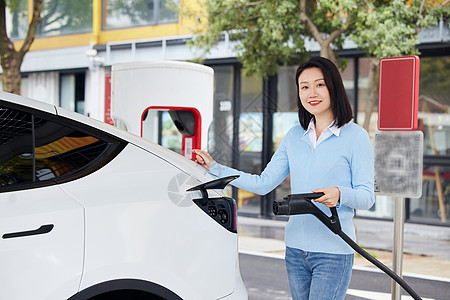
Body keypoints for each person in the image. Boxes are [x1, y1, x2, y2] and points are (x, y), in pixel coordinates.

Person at [193, 56, 374, 300]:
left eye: (320, 84)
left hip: (333, 251)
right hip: (295, 250)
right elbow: (263, 183)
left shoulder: (355, 136)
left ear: (334, 87)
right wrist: (216, 168)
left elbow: (366, 197)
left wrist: (340, 194)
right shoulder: (294, 136)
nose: (312, 92)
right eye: (304, 86)